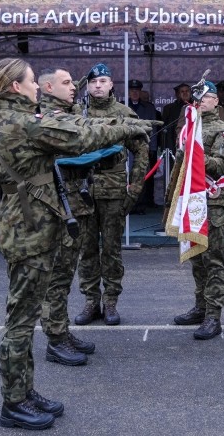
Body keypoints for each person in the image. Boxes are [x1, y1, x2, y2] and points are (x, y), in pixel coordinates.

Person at [0, 57, 148, 430]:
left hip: (26, 221)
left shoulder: (10, 120)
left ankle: (24, 392)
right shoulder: (22, 122)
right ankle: (14, 402)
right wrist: (128, 127)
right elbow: (81, 136)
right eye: (31, 82)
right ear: (15, 87)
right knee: (21, 322)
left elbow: (73, 126)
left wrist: (122, 124)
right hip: (28, 227)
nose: (37, 86)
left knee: (25, 316)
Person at [73, 64, 150, 326]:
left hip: (114, 189)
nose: (97, 85)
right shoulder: (76, 112)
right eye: (93, 81)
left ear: (111, 84)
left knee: (112, 248)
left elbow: (141, 150)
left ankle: (111, 301)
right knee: (87, 247)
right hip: (83, 188)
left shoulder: (123, 113)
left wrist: (136, 185)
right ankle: (91, 300)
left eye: (102, 81)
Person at [35, 67, 98, 366]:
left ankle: (62, 331)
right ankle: (55, 339)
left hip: (75, 204)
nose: (73, 87)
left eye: (74, 82)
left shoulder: (68, 112)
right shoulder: (45, 118)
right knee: (56, 278)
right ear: (47, 87)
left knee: (66, 274)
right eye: (66, 82)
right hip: (59, 208)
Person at [172, 80, 224, 340]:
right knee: (197, 259)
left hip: (212, 203)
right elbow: (180, 163)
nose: (201, 100)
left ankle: (214, 315)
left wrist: (194, 154)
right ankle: (200, 307)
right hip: (192, 201)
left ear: (216, 101)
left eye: (207, 96)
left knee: (213, 261)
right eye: (198, 96)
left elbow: (223, 164)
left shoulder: (222, 129)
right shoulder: (190, 127)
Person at [128, 79, 160, 210]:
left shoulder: (149, 108)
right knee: (128, 174)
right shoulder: (122, 106)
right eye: (132, 90)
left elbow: (153, 129)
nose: (135, 93)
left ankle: (140, 204)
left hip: (143, 146)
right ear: (128, 92)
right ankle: (129, 204)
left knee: (141, 175)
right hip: (127, 147)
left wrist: (152, 148)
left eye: (137, 90)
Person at [160, 83, 191, 150]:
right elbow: (165, 128)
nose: (185, 93)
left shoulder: (195, 107)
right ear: (178, 94)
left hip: (191, 141)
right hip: (173, 143)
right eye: (182, 91)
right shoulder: (169, 108)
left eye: (187, 91)